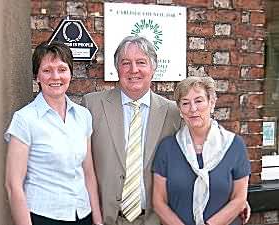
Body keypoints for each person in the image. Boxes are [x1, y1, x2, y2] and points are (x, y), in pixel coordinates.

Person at [82, 36, 182, 225]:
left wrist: (235, 195)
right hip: (105, 219)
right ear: (117, 68)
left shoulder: (173, 112)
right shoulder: (92, 105)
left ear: (153, 68)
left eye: (141, 62)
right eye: (125, 63)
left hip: (155, 220)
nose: (133, 70)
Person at [4, 41, 103, 225]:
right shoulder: (25, 119)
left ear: (71, 74)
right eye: (47, 70)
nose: (55, 76)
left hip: (83, 215)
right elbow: (13, 185)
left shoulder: (83, 116)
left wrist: (97, 220)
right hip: (44, 217)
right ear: (37, 77)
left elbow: (88, 173)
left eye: (62, 69)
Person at [152, 76, 251, 225]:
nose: (193, 109)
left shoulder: (234, 145)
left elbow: (239, 199)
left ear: (211, 103)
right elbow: (159, 202)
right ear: (180, 110)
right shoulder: (167, 148)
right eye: (185, 103)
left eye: (199, 101)